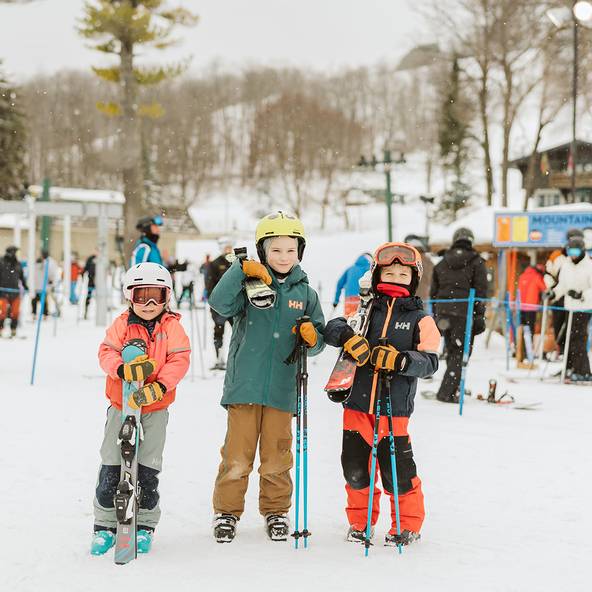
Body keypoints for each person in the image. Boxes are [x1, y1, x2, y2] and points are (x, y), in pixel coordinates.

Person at [208, 211, 325, 543]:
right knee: (236, 458)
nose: (283, 257)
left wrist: (312, 338)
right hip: (244, 386)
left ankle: (276, 511)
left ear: (299, 251)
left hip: (282, 390)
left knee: (277, 458)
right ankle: (226, 513)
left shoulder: (306, 293)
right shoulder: (250, 284)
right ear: (262, 252)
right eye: (275, 250)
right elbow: (219, 304)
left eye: (290, 250)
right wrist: (239, 270)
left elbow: (317, 340)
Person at [324, 241, 440, 546]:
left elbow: (430, 362)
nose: (396, 279)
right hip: (357, 404)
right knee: (356, 470)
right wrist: (349, 338)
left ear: (413, 280)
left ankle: (407, 524)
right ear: (377, 276)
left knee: (398, 472)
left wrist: (401, 360)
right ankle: (360, 523)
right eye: (390, 273)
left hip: (394, 409)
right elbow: (333, 327)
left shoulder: (421, 319)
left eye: (403, 275)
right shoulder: (364, 309)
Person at [91, 262, 190, 555]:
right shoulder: (122, 324)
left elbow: (179, 360)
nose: (148, 304)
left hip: (155, 407)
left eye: (157, 296)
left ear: (167, 297)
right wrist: (120, 369)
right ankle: (104, 525)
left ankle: (145, 524)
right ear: (129, 296)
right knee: (111, 463)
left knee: (147, 466)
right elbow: (106, 352)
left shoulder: (171, 327)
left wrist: (160, 385)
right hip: (122, 404)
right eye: (141, 295)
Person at [430, 227, 488, 403]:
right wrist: (479, 315)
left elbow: (433, 292)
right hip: (464, 313)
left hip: (444, 312)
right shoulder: (477, 262)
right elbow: (481, 292)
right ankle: (447, 391)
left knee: (452, 350)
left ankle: (452, 385)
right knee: (461, 352)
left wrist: (436, 314)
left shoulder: (441, 262)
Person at [545, 233, 592, 381]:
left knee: (578, 338)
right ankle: (569, 366)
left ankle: (583, 371)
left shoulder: (589, 266)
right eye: (570, 252)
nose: (572, 256)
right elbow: (562, 286)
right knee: (567, 338)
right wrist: (553, 293)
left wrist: (582, 294)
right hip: (569, 307)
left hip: (584, 307)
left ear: (582, 251)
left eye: (575, 252)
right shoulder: (566, 266)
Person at [544, 228, 585, 354]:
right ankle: (562, 351)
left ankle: (571, 358)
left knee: (573, 331)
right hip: (559, 296)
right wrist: (552, 290)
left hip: (577, 299)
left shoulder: (584, 259)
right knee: (559, 326)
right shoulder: (558, 256)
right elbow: (548, 274)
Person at [205, 238, 234, 370]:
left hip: (234, 306)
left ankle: (235, 358)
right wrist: (214, 302)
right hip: (219, 307)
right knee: (219, 331)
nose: (228, 250)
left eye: (230, 247)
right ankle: (219, 358)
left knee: (238, 332)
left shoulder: (235, 262)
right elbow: (209, 285)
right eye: (226, 247)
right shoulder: (215, 264)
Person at [0, 245, 28, 338]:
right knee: (2, 312)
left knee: (15, 312)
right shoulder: (1, 262)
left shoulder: (17, 264)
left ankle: (13, 330)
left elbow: (21, 277)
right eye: (13, 252)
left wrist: (25, 286)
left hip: (15, 292)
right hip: (2, 292)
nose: (14, 254)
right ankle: (0, 329)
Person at [517, 263, 546, 337]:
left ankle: (521, 345)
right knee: (530, 328)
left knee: (522, 327)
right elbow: (544, 288)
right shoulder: (537, 277)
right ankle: (529, 345)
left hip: (521, 306)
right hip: (531, 307)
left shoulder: (522, 276)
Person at [404, 235, 434, 304]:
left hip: (407, 298)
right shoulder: (428, 261)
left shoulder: (405, 260)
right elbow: (431, 280)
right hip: (422, 299)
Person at [31, 249, 59, 319]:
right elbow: (51, 274)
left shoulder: (48, 263)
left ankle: (40, 313)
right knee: (41, 301)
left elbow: (51, 273)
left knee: (39, 300)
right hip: (41, 286)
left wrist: (51, 282)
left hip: (41, 286)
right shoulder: (45, 263)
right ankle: (42, 314)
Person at [83, 251, 97, 320]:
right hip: (91, 282)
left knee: (100, 298)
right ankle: (85, 313)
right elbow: (86, 268)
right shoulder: (90, 259)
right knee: (88, 297)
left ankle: (100, 313)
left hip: (99, 283)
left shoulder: (102, 259)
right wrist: (82, 273)